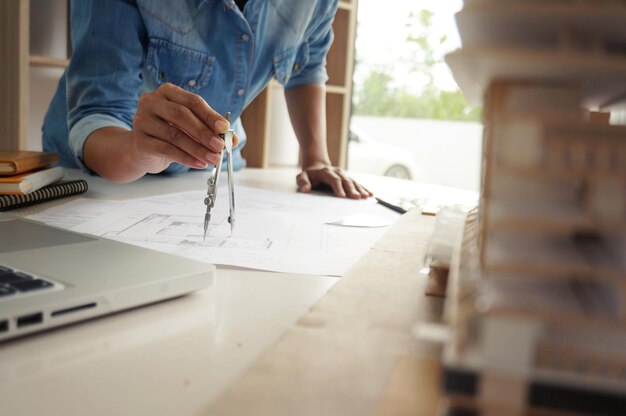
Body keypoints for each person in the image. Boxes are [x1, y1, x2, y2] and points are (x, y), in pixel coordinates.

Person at [42, 0, 372, 199]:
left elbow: (307, 63)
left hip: (206, 174)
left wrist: (315, 158)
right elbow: (99, 111)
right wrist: (134, 149)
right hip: (97, 173)